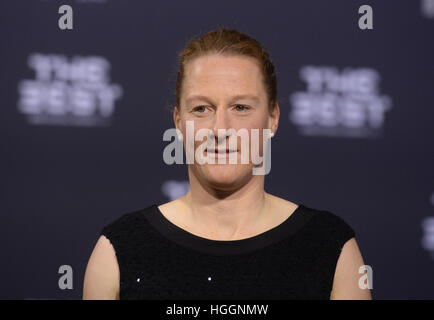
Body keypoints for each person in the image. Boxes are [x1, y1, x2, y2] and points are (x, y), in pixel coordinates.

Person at [83, 27, 372, 300]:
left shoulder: (330, 248)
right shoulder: (119, 251)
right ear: (179, 123)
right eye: (201, 109)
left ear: (273, 118)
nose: (220, 128)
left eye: (241, 108)